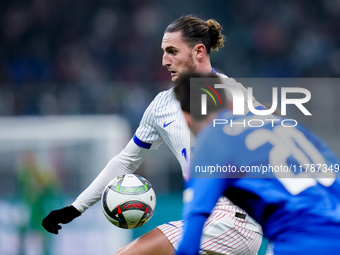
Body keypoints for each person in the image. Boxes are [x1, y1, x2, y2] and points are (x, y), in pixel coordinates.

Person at [42, 15, 264, 254]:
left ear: (199, 51)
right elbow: (126, 160)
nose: (164, 61)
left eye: (172, 51)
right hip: (208, 220)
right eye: (163, 52)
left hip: (232, 220)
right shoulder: (162, 105)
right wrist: (76, 208)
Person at [173, 71, 340, 255]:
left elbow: (190, 241)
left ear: (187, 119)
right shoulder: (288, 127)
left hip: (304, 242)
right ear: (229, 104)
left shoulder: (211, 142)